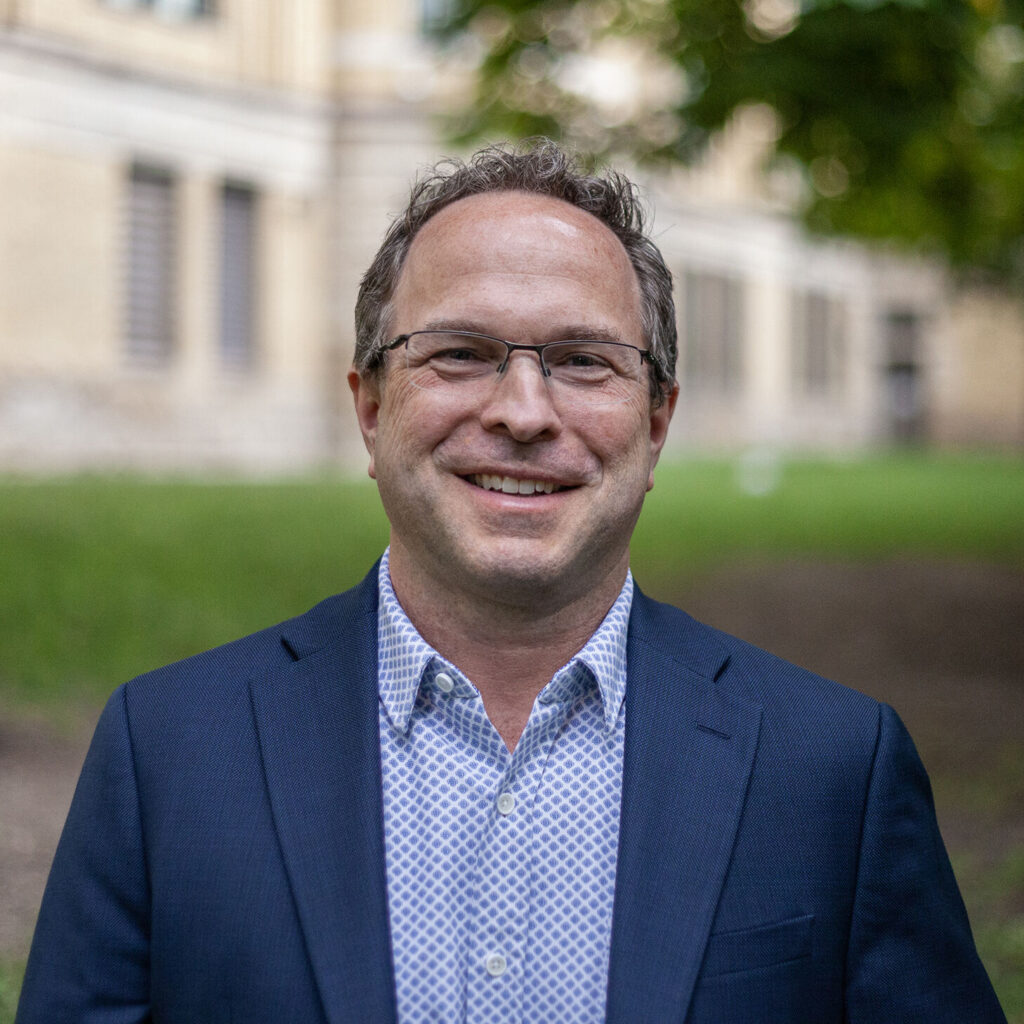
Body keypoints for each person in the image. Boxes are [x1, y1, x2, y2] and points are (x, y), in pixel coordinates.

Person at [17, 140, 1005, 1024]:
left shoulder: (833, 767)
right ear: (368, 408)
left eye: (582, 360)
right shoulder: (170, 753)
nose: (523, 412)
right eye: (462, 353)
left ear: (656, 422)